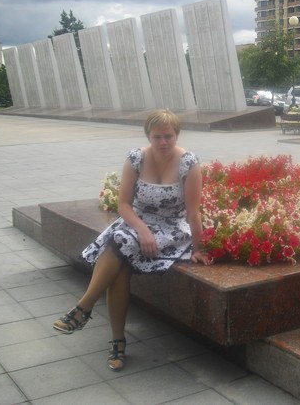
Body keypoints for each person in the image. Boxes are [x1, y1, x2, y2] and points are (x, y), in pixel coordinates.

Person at [52, 109, 212, 371]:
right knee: (121, 256)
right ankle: (113, 337)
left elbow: (194, 212)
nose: (163, 142)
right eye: (157, 136)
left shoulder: (189, 163)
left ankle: (85, 311)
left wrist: (199, 248)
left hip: (171, 229)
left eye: (168, 136)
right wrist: (142, 230)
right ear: (148, 135)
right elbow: (124, 205)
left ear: (177, 135)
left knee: (119, 243)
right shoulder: (136, 158)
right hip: (136, 223)